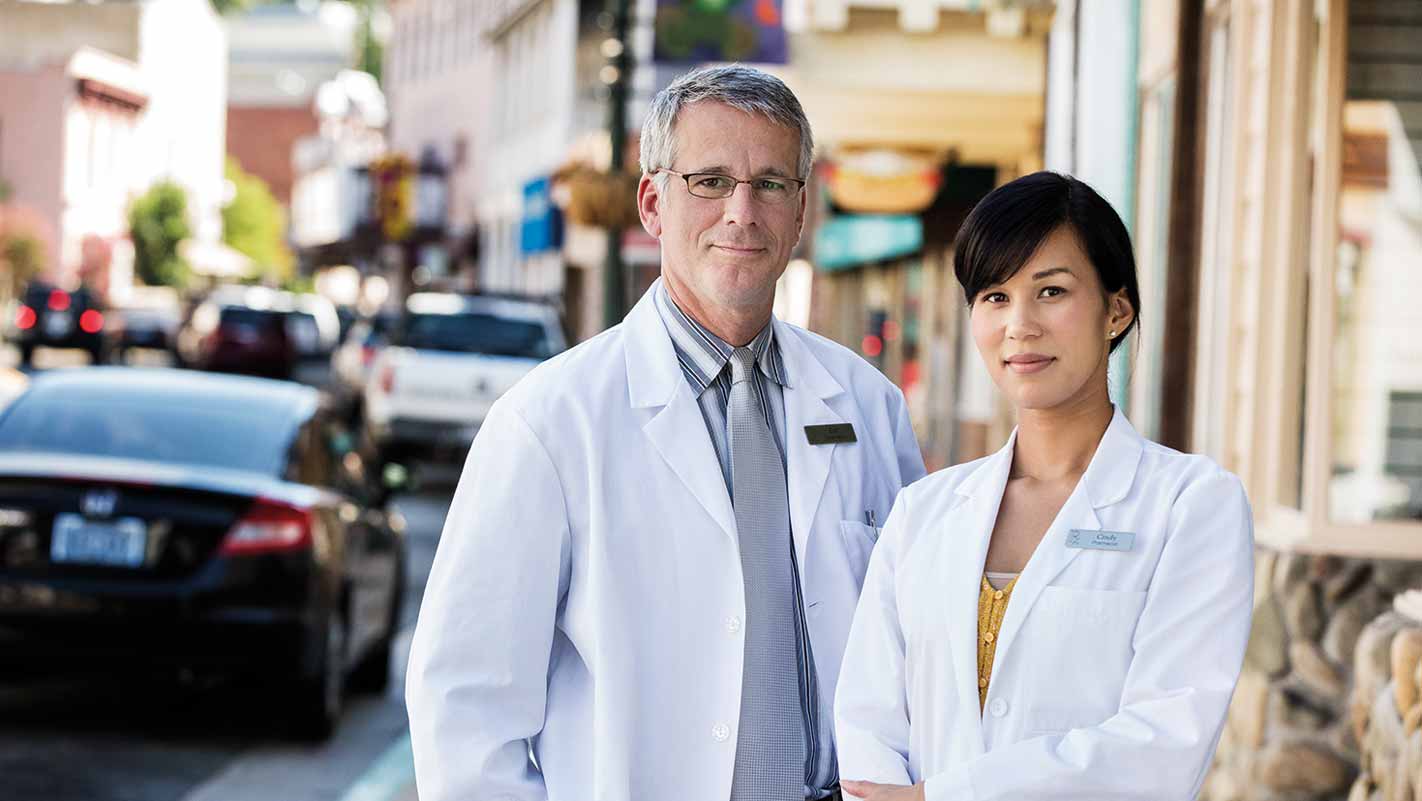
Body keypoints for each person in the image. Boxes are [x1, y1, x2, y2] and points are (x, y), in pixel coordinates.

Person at [406, 64, 926, 801]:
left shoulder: (868, 407)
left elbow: (915, 651)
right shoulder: (551, 422)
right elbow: (465, 705)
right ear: (653, 202)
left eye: (771, 183)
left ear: (801, 210)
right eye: (710, 181)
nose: (742, 211)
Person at [834, 172, 1254, 801]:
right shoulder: (923, 512)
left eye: (1051, 291)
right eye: (995, 297)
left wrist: (944, 798)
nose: (1019, 325)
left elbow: (1164, 742)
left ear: (1117, 309)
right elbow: (868, 717)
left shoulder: (1191, 506)